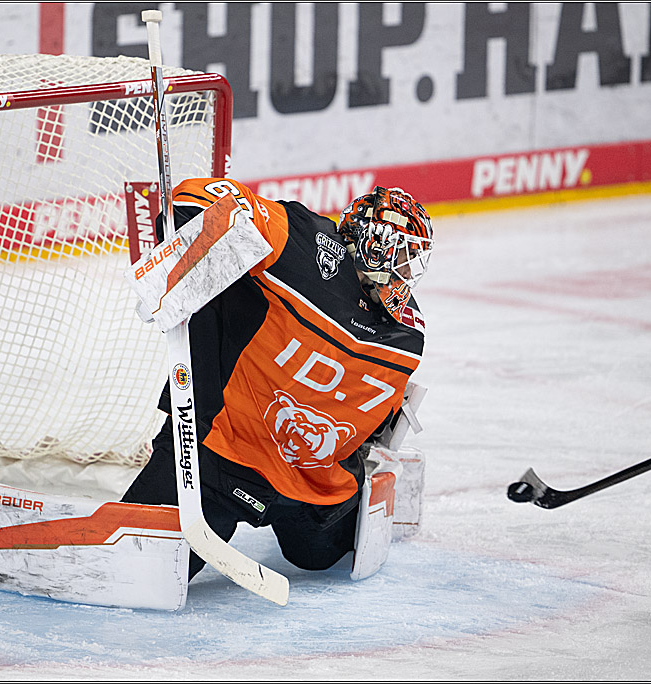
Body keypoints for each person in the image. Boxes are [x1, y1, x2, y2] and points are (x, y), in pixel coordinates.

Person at [122, 178, 433, 580]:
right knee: (145, 572)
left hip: (314, 487)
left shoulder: (406, 335)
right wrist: (179, 261)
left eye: (414, 263)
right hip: (218, 461)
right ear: (372, 243)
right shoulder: (303, 240)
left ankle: (376, 476)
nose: (406, 276)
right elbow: (192, 198)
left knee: (314, 557)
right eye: (402, 257)